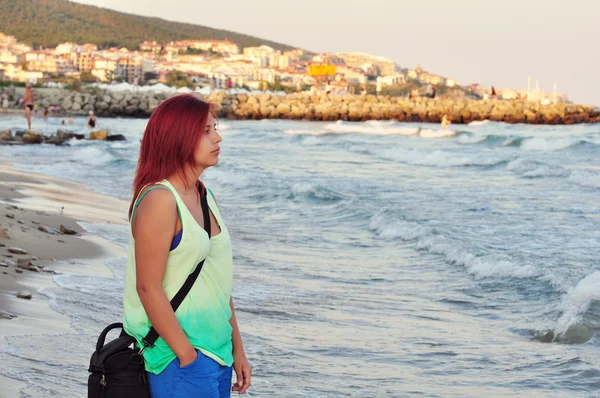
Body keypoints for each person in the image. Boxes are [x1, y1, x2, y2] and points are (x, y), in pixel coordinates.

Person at [123, 94, 251, 398]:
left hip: (217, 355)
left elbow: (217, 283)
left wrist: (238, 351)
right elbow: (148, 288)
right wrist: (187, 356)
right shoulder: (160, 201)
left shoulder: (205, 196)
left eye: (215, 128)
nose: (217, 137)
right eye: (206, 131)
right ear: (178, 138)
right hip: (180, 358)